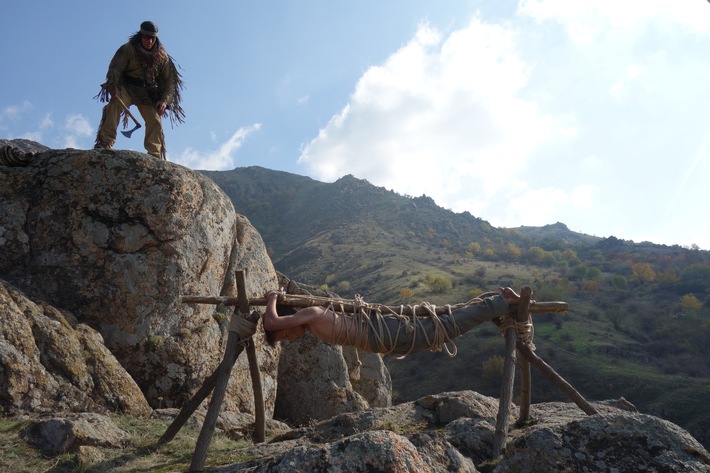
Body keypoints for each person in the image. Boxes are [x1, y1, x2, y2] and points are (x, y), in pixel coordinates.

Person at [263, 287, 526, 356]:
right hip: (386, 340)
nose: (290, 338)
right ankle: (497, 302)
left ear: (288, 320)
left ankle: (502, 302)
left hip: (387, 333)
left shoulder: (313, 314)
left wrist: (272, 298)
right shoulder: (312, 322)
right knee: (444, 328)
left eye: (286, 336)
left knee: (444, 328)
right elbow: (276, 326)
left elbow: (271, 323)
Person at [94, 21, 185, 160]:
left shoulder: (162, 57)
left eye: (152, 38)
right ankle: (104, 143)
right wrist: (114, 86)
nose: (149, 41)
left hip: (147, 92)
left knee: (154, 120)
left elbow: (170, 81)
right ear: (140, 35)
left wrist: (164, 101)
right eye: (146, 37)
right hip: (126, 87)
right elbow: (115, 69)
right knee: (114, 105)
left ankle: (154, 155)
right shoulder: (127, 49)